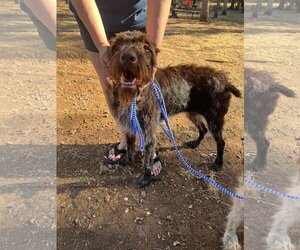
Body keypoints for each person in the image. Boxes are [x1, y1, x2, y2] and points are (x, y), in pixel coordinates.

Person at [69, 0, 171, 178]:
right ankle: (127, 138)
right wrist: (102, 45)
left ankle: (148, 143)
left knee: (144, 87)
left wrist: (152, 54)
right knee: (110, 86)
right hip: (92, 14)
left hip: (138, 14)